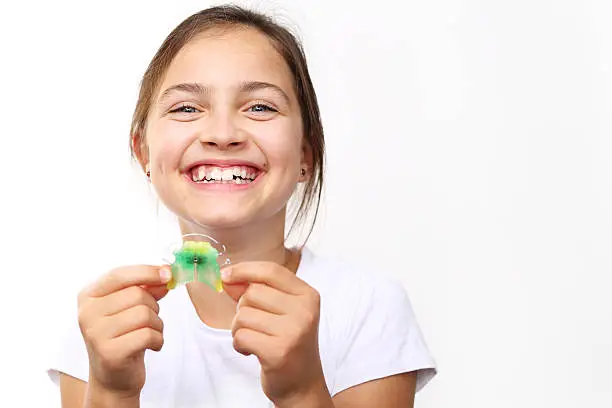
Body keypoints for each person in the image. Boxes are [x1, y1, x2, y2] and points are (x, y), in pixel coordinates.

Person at [48, 5, 436, 407]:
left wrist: (301, 390)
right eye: (186, 108)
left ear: (307, 153)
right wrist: (113, 391)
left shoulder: (368, 305)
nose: (222, 133)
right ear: (143, 153)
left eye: (260, 107)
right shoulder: (101, 317)